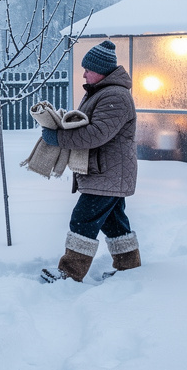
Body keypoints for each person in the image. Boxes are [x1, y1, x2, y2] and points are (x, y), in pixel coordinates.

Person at [41, 39, 140, 282]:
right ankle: (130, 268)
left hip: (108, 173)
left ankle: (70, 272)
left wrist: (59, 137)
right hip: (107, 172)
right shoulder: (103, 92)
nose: (84, 73)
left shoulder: (115, 96)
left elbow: (96, 134)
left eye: (88, 69)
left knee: (83, 219)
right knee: (115, 223)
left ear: (101, 70)